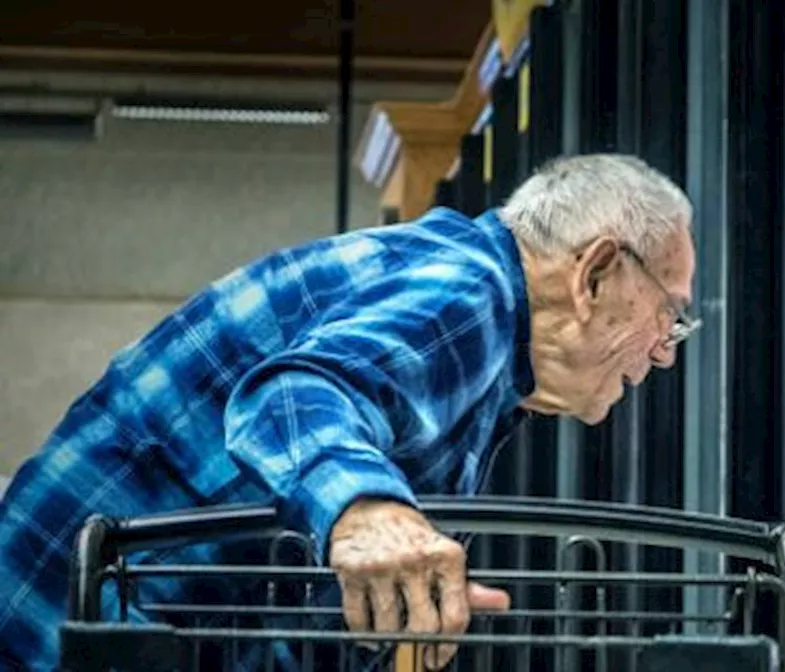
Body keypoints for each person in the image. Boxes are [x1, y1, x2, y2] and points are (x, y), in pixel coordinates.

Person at [0, 153, 699, 670]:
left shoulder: (479, 337)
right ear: (597, 272)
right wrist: (368, 511)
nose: (665, 354)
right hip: (45, 632)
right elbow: (290, 398)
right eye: (670, 315)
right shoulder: (471, 293)